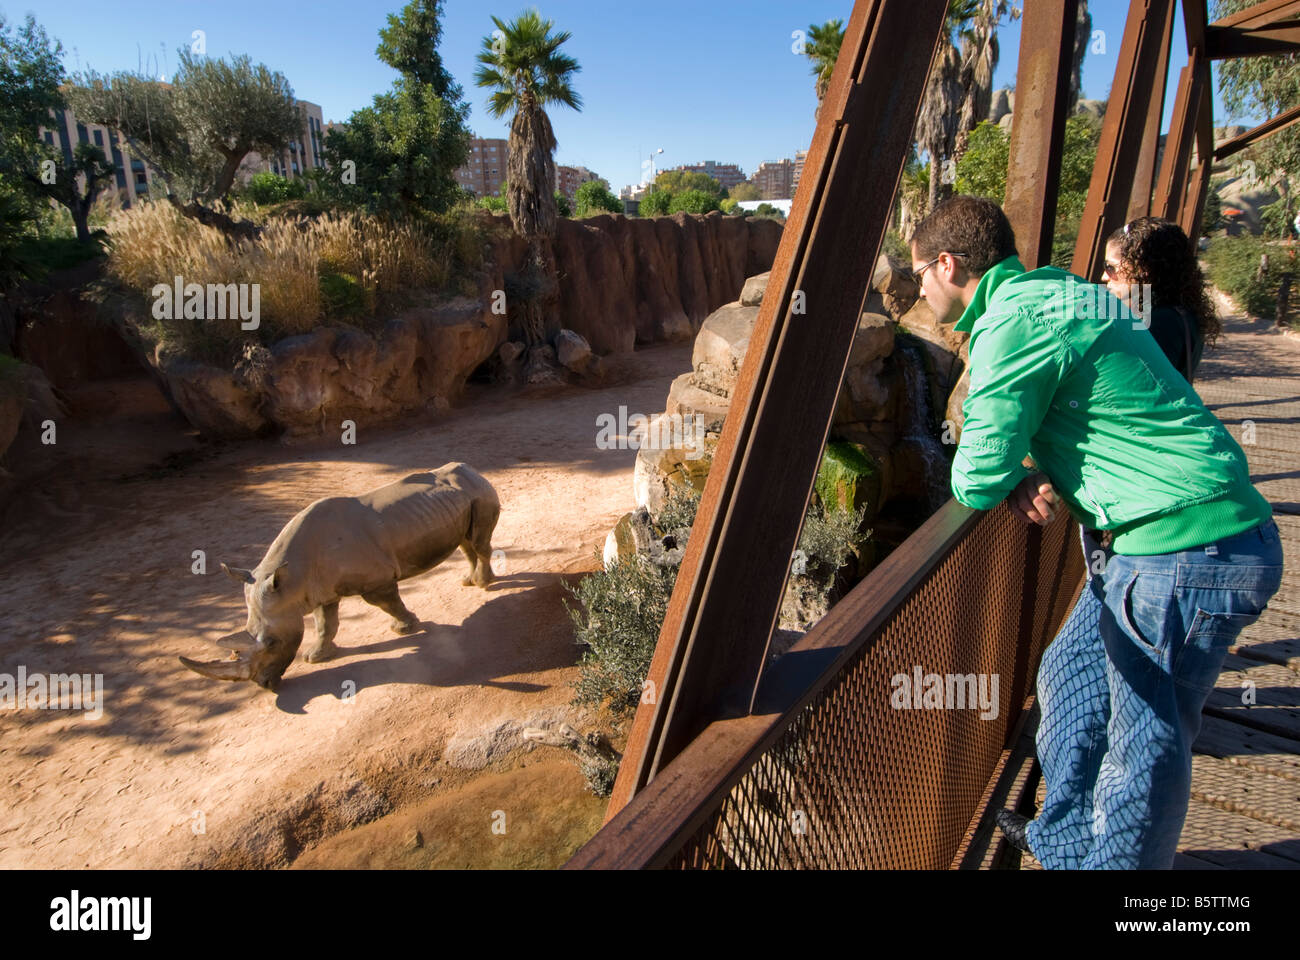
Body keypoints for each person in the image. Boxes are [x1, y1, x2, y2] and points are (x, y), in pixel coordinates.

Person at [909, 195, 1283, 869]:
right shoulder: (1058, 292)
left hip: (1186, 550)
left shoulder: (1013, 320)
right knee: (1069, 674)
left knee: (1143, 747)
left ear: (947, 264)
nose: (918, 290)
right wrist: (1025, 464)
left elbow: (975, 474)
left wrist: (1008, 468)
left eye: (919, 275)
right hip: (1155, 545)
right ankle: (1065, 838)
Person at [1102, 216, 1221, 382]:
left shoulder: (1161, 323)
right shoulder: (1182, 312)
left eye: (1110, 267)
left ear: (1142, 267)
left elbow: (1136, 385)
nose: (1104, 277)